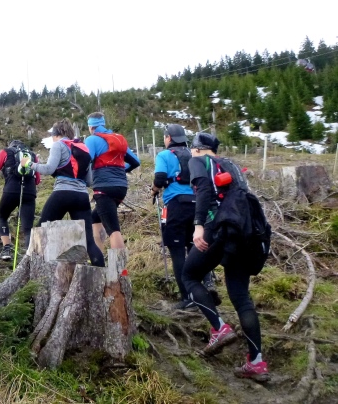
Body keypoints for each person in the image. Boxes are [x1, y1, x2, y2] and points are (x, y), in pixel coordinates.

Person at [182, 133, 270, 382]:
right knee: (241, 298)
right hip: (244, 232)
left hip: (218, 228)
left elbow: (204, 191)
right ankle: (256, 363)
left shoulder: (198, 161)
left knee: (189, 276)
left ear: (197, 148)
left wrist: (199, 225)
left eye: (192, 149)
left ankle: (219, 328)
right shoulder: (230, 164)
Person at [20, 119, 104, 267]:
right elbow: (89, 181)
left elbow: (48, 169)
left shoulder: (58, 145)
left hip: (62, 193)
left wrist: (28, 164)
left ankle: (29, 268)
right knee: (88, 240)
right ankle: (103, 274)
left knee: (40, 230)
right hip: (81, 196)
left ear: (56, 134)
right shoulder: (84, 148)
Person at [152, 124, 217, 310]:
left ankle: (188, 297)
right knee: (196, 248)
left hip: (176, 206)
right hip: (198, 205)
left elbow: (160, 178)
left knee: (177, 251)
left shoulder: (164, 155)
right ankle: (206, 286)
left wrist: (154, 190)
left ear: (168, 138)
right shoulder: (194, 154)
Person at [84, 112, 140, 253]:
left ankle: (121, 266)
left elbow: (85, 161)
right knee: (94, 218)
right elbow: (135, 161)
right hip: (121, 187)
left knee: (113, 230)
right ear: (103, 123)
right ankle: (99, 258)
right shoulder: (118, 139)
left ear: (91, 126)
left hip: (104, 188)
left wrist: (82, 180)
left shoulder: (92, 139)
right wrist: (120, 170)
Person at [0, 140, 41, 260]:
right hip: (29, 192)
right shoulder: (32, 155)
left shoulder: (6, 152)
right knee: (28, 228)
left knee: (2, 217)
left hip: (11, 190)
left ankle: (6, 250)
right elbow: (37, 180)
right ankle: (29, 257)